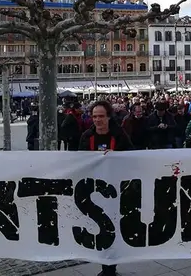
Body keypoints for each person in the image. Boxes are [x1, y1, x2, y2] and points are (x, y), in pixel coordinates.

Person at [78, 101, 134, 276]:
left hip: (115, 191)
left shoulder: (119, 135)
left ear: (109, 117)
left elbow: (132, 156)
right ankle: (105, 266)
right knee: (100, 230)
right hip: (94, 193)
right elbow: (78, 160)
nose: (97, 120)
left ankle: (110, 267)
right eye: (94, 116)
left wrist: (116, 157)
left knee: (114, 229)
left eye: (101, 116)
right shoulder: (87, 136)